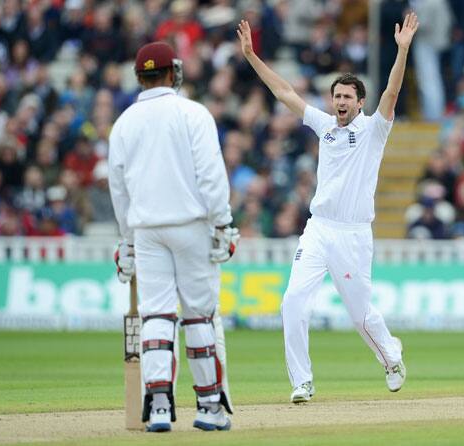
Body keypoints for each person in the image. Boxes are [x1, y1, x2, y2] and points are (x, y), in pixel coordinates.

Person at [237, 13, 417, 403]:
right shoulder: (324, 126)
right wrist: (252, 56)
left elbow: (391, 93)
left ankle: (390, 356)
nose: (340, 102)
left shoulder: (373, 130)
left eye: (347, 97)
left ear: (360, 103)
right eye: (336, 96)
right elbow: (285, 92)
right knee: (292, 303)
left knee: (359, 315)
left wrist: (402, 51)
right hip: (318, 228)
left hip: (353, 234)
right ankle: (302, 382)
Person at [108, 41, 239, 432]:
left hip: (147, 230)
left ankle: (160, 406)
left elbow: (119, 188)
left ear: (139, 77)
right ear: (172, 73)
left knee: (157, 315)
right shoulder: (192, 113)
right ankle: (209, 406)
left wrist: (127, 239)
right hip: (191, 225)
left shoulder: (124, 122)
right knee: (198, 314)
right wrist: (222, 223)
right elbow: (211, 175)